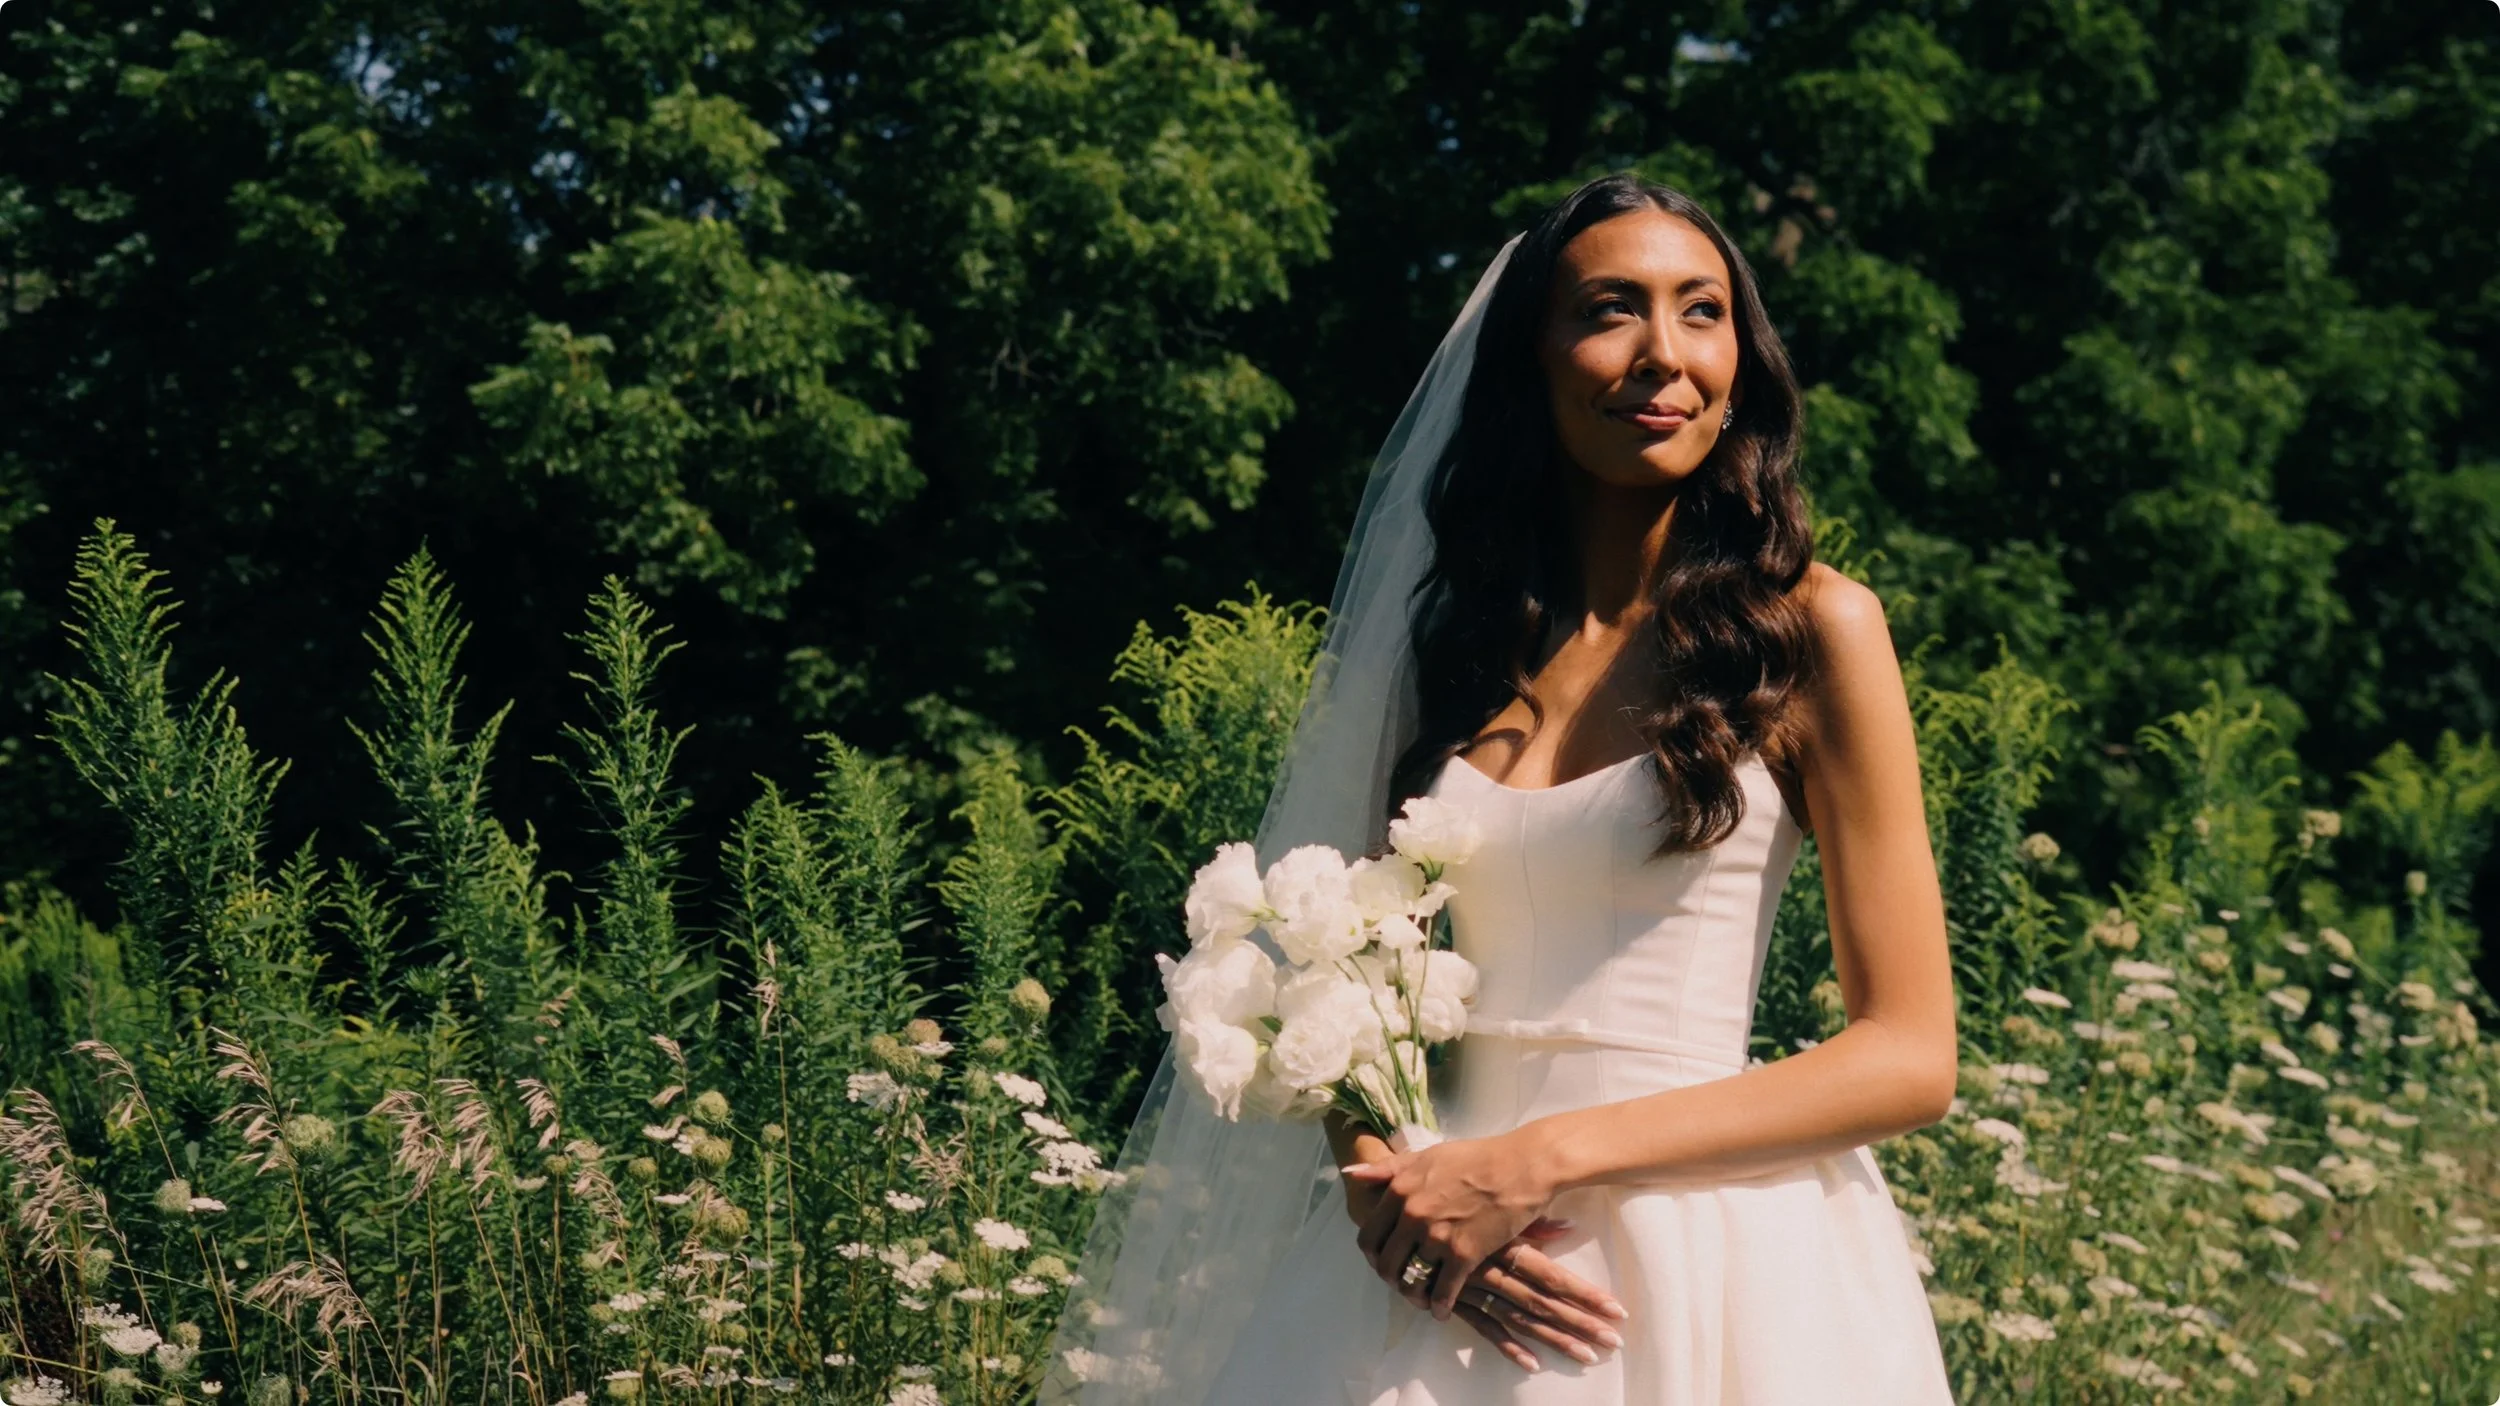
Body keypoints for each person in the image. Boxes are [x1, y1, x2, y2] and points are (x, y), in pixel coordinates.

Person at [1042, 172, 1958, 1404]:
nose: (1662, 356)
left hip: (1701, 1268)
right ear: (1530, 358)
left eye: (1701, 312)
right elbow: (1342, 972)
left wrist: (1533, 1161)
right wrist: (1388, 1196)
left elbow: (1907, 1054)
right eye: (1609, 311)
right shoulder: (1456, 646)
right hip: (1426, 1257)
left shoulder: (1814, 630)